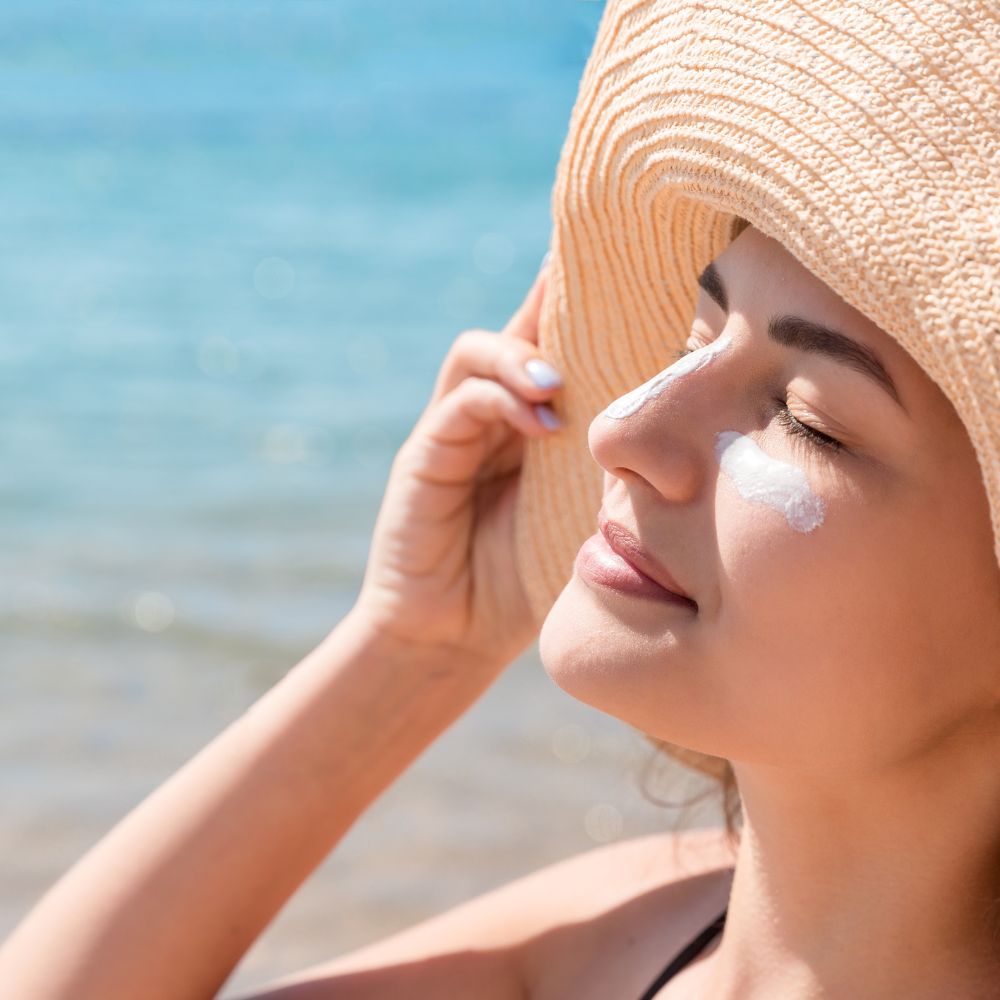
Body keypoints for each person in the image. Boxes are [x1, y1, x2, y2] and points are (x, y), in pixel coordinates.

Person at [3, 2, 999, 999]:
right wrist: (416, 647)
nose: (620, 429)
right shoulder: (619, 935)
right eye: (695, 337)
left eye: (803, 418)